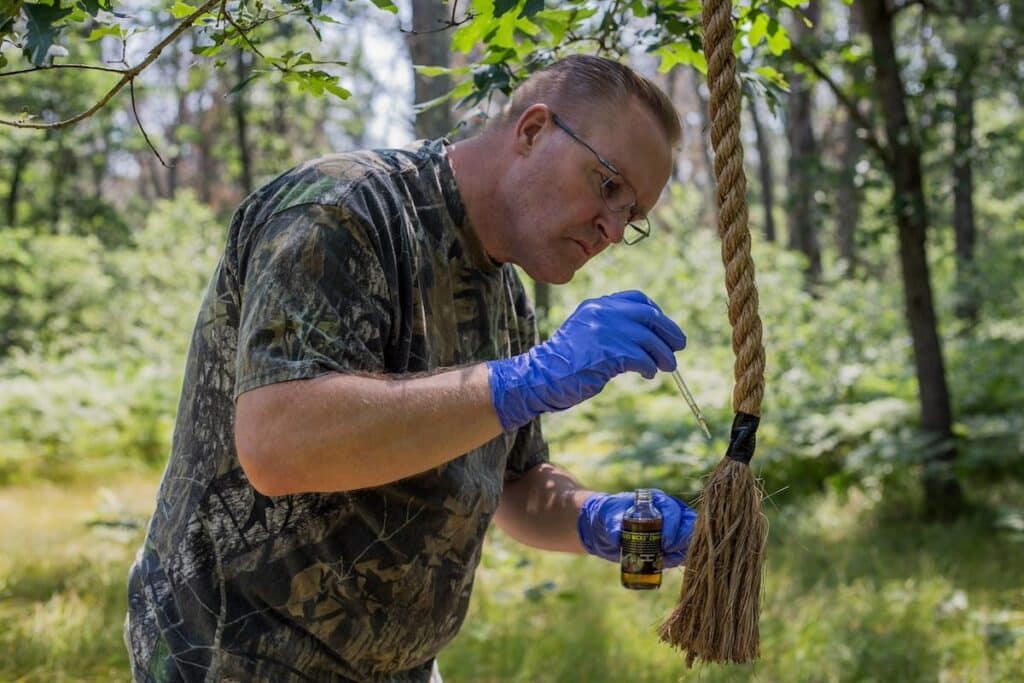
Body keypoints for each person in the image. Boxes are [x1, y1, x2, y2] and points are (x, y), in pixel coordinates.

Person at [125, 54, 698, 683]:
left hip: (399, 668)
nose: (612, 229)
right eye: (608, 185)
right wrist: (523, 380)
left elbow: (515, 485)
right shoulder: (342, 211)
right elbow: (277, 443)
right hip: (239, 659)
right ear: (533, 131)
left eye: (632, 216)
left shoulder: (506, 295)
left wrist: (597, 520)